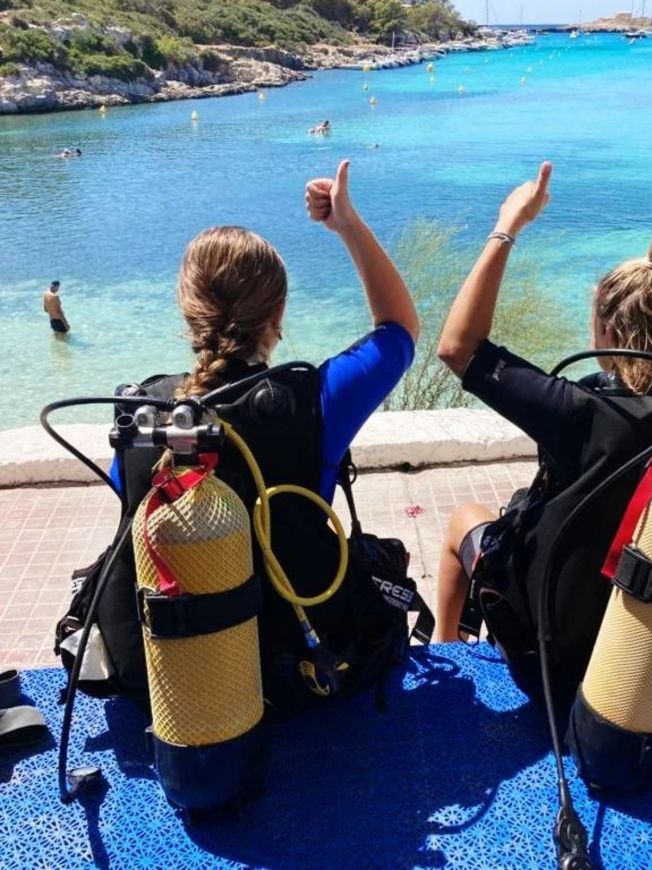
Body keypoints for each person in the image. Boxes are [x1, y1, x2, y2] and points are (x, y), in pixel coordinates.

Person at [95, 159, 420, 709]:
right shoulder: (315, 401)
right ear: (280, 311)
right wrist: (349, 227)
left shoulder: (144, 417)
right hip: (298, 671)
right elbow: (399, 332)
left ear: (187, 309)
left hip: (175, 683)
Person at [434, 161, 652, 704]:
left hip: (560, 670)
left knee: (464, 521)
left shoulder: (580, 412)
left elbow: (457, 348)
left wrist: (506, 226)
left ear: (608, 332)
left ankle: (448, 649)